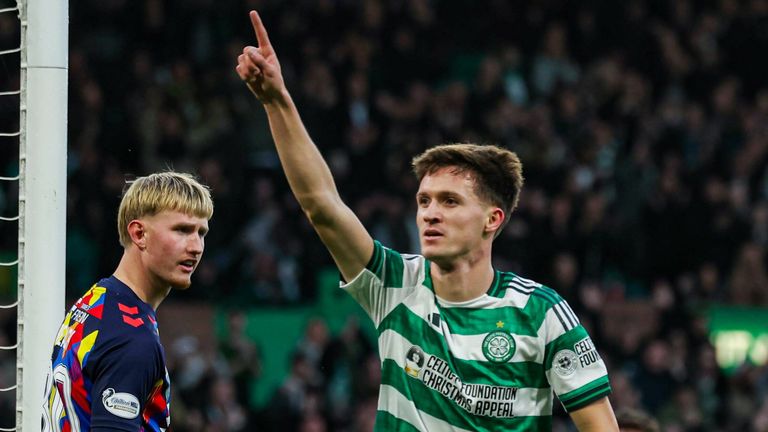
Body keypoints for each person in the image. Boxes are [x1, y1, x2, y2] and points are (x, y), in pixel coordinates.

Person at [236, 10, 618, 431]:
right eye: (424, 201)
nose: (430, 213)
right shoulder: (397, 286)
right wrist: (277, 101)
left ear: (493, 219)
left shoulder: (542, 313)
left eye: (450, 201)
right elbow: (322, 205)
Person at [42, 171, 213, 431]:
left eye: (201, 233)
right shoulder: (131, 339)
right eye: (182, 230)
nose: (196, 247)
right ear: (139, 233)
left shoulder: (95, 300)